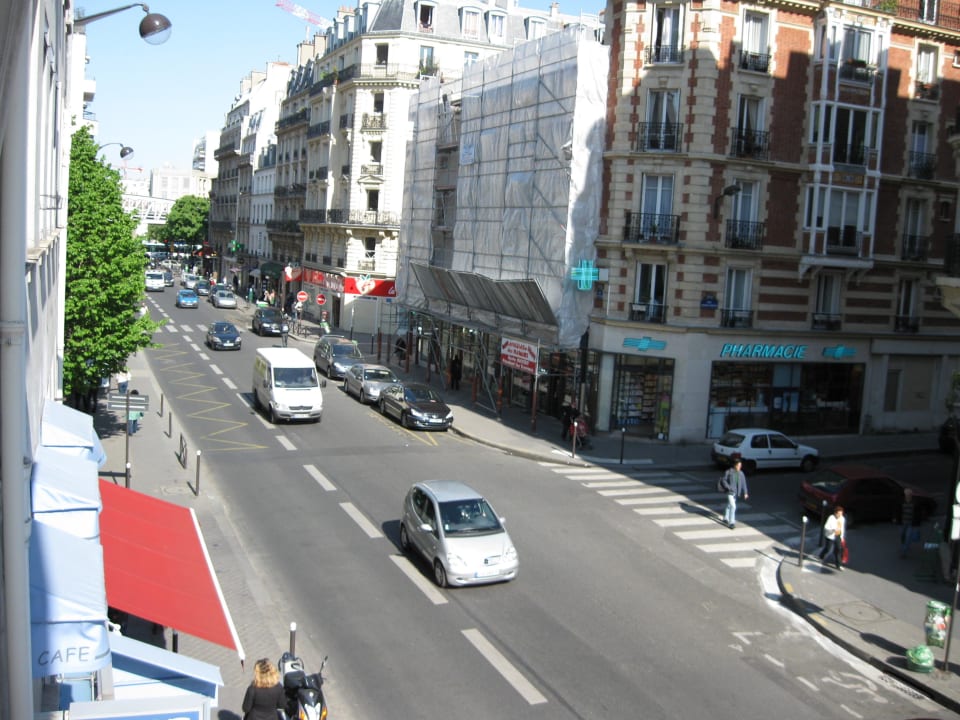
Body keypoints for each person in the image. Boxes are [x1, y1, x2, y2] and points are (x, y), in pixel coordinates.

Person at [719, 457, 749, 529]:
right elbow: (723, 480)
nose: (740, 467)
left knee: (729, 505)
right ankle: (731, 523)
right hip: (730, 492)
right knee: (733, 506)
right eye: (738, 466)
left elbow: (743, 483)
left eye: (740, 466)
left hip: (736, 493)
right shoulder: (729, 472)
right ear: (735, 465)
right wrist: (728, 487)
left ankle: (725, 518)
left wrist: (745, 492)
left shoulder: (741, 473)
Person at [900, 489, 921, 557]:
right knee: (902, 535)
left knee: (908, 537)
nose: (908, 496)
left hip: (910, 523)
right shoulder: (902, 501)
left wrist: (917, 522)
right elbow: (898, 510)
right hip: (903, 522)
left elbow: (917, 513)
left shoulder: (915, 502)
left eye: (909, 494)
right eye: (906, 494)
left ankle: (904, 551)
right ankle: (904, 546)